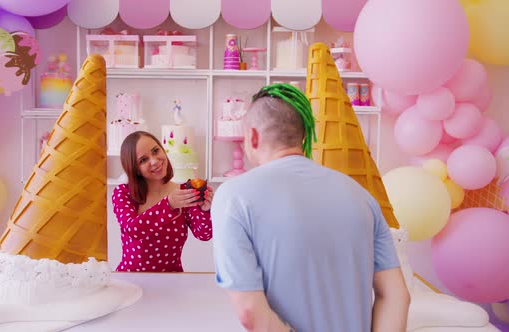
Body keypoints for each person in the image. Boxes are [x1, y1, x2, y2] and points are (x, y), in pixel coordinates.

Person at [211, 84, 410, 331]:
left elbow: (250, 311)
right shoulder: (361, 196)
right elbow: (396, 295)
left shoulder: (233, 196)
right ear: (304, 136)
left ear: (252, 136)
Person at [112, 131, 213, 272]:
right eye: (143, 160)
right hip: (132, 280)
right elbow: (133, 230)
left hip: (173, 281)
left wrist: (205, 210)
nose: (154, 161)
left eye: (155, 151)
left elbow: (204, 234)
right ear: (135, 169)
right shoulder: (123, 193)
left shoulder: (183, 191)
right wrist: (169, 204)